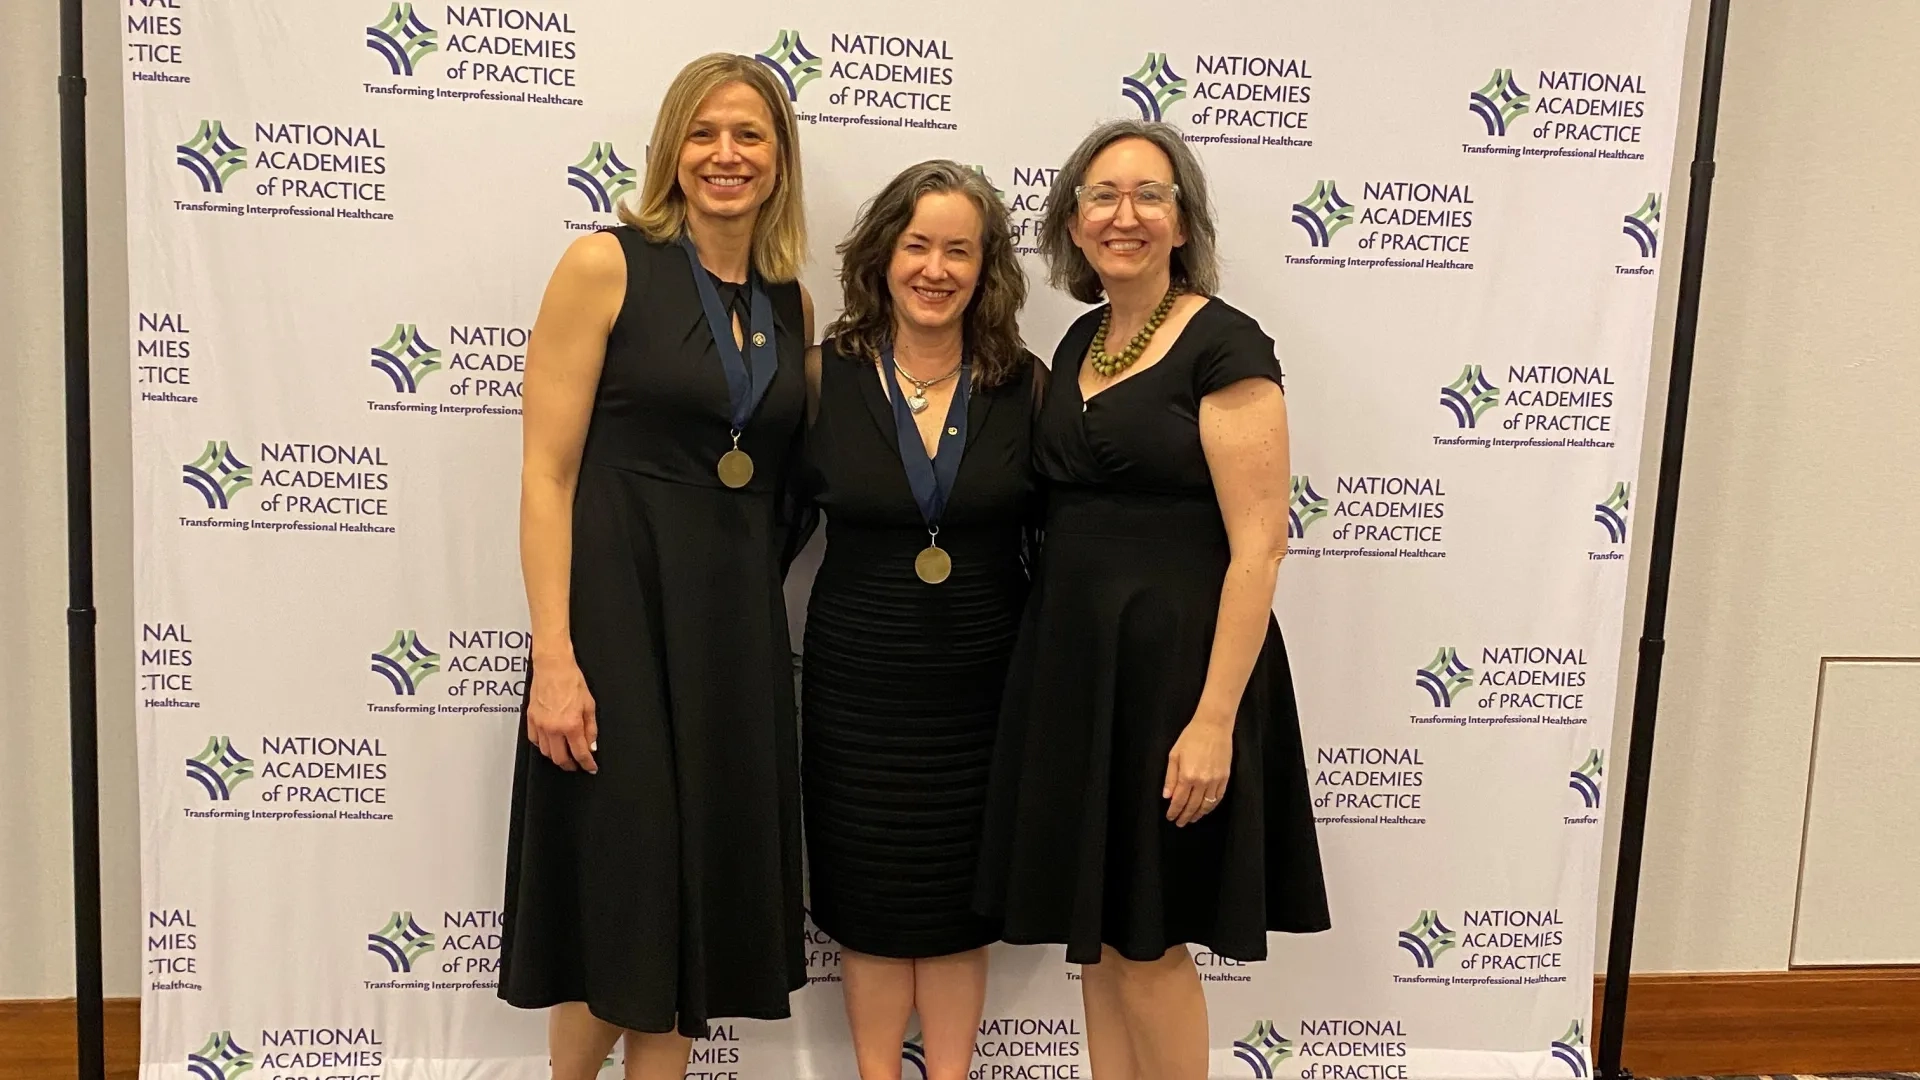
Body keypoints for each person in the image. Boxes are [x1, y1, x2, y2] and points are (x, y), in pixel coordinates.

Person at [974, 119, 1330, 1080]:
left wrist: (1214, 721)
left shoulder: (1227, 342)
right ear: (1074, 224)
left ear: (1182, 221)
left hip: (1175, 676)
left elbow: (1259, 545)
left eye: (1149, 195)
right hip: (1079, 670)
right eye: (1102, 196)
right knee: (1096, 943)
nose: (1124, 214)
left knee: (1149, 943)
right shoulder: (1084, 337)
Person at [497, 53, 814, 1080]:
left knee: (690, 907)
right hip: (616, 618)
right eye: (706, 132)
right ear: (672, 149)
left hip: (730, 632)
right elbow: (546, 477)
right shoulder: (605, 264)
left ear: (779, 160)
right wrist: (556, 654)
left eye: (750, 135)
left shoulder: (786, 301)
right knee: (621, 889)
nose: (726, 154)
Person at [799, 160, 1042, 1080]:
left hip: (984, 690)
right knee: (867, 903)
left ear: (987, 269)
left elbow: (1062, 541)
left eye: (959, 250)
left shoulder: (1028, 385)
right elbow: (764, 530)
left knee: (954, 907)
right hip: (857, 687)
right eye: (917, 246)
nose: (935, 269)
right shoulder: (824, 380)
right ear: (882, 255)